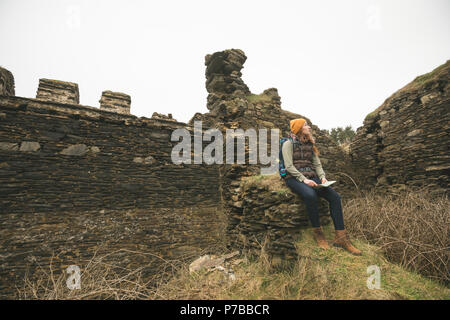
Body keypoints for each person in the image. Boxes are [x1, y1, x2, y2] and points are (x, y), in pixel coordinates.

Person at [282, 118, 361, 255]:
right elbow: (288, 166)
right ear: (299, 128)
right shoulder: (288, 144)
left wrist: (323, 177)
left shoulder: (310, 143)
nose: (309, 127)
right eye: (306, 125)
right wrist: (304, 180)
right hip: (294, 177)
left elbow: (317, 164)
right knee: (310, 195)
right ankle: (318, 234)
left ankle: (341, 238)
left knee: (335, 197)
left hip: (311, 176)